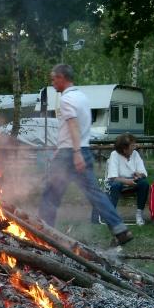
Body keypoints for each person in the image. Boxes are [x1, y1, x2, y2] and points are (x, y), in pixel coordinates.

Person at [39, 64, 133, 246]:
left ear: (61, 77)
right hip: (82, 149)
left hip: (71, 154)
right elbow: (76, 129)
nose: (52, 83)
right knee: (95, 193)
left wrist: (74, 153)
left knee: (50, 194)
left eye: (53, 79)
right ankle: (120, 229)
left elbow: (73, 125)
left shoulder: (66, 100)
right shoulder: (81, 97)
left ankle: (42, 231)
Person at [102, 134, 149, 225]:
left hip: (133, 181)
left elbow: (144, 173)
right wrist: (127, 181)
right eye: (132, 145)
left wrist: (139, 175)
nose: (134, 147)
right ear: (124, 148)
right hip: (117, 181)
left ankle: (139, 214)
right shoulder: (114, 155)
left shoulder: (135, 154)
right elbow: (113, 177)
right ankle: (112, 215)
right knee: (116, 185)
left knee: (144, 184)